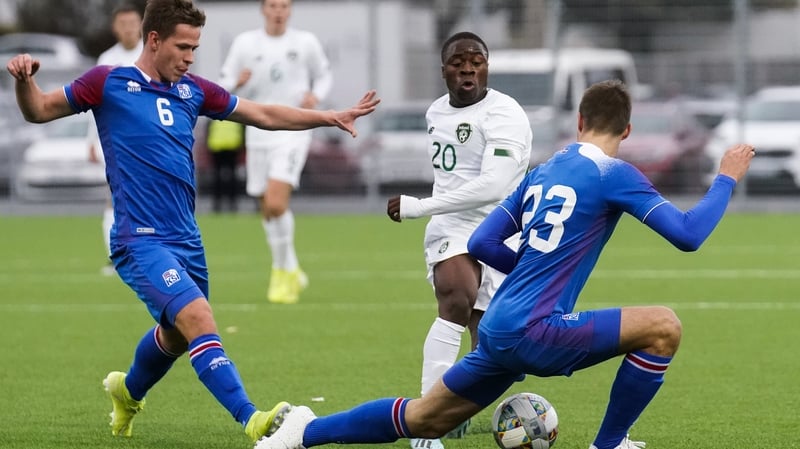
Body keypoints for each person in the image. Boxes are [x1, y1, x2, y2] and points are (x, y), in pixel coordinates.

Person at [253, 79, 754, 449]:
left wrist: (530, 268)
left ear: (579, 122)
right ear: (626, 128)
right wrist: (726, 178)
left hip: (499, 327)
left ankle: (302, 431)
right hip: (538, 330)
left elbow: (482, 240)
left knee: (425, 419)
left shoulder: (543, 171)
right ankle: (610, 445)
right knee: (664, 327)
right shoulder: (614, 172)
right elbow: (688, 236)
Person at [6, 0, 378, 444]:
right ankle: (254, 420)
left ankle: (127, 391)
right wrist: (25, 82)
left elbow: (263, 113)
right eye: (183, 47)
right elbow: (40, 110)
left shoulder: (193, 90)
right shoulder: (108, 82)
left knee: (177, 334)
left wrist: (329, 116)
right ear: (154, 40)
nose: (190, 57)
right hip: (138, 240)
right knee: (199, 317)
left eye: (196, 48)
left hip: (187, 239)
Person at [385, 31, 531, 449]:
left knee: (497, 343)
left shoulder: (505, 114)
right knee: (455, 300)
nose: (468, 68)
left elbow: (494, 184)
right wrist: (436, 211)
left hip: (502, 228)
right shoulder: (436, 112)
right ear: (444, 69)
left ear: (487, 66)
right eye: (457, 61)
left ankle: (459, 405)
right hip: (451, 228)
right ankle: (426, 423)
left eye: (477, 61)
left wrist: (419, 206)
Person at [217, 0, 333, 304]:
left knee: (277, 202)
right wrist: (235, 83)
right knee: (265, 205)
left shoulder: (304, 42)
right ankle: (291, 267)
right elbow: (223, 82)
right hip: (257, 131)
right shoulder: (245, 43)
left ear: (290, 9)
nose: (278, 11)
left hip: (293, 130)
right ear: (263, 9)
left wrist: (315, 95)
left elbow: (324, 74)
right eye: (273, 5)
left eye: (284, 5)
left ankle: (281, 273)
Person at [87, 3, 144, 276]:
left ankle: (147, 250)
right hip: (116, 139)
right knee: (114, 196)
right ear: (115, 27)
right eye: (123, 24)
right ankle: (115, 254)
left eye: (133, 23)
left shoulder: (150, 55)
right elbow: (92, 100)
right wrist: (91, 140)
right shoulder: (106, 59)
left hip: (146, 139)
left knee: (148, 196)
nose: (129, 28)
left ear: (141, 24)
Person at [205, 118, 245, 213]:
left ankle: (219, 202)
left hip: (219, 146)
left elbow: (208, 130)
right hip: (231, 146)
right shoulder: (234, 113)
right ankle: (230, 202)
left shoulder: (213, 114)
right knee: (229, 177)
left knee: (218, 177)